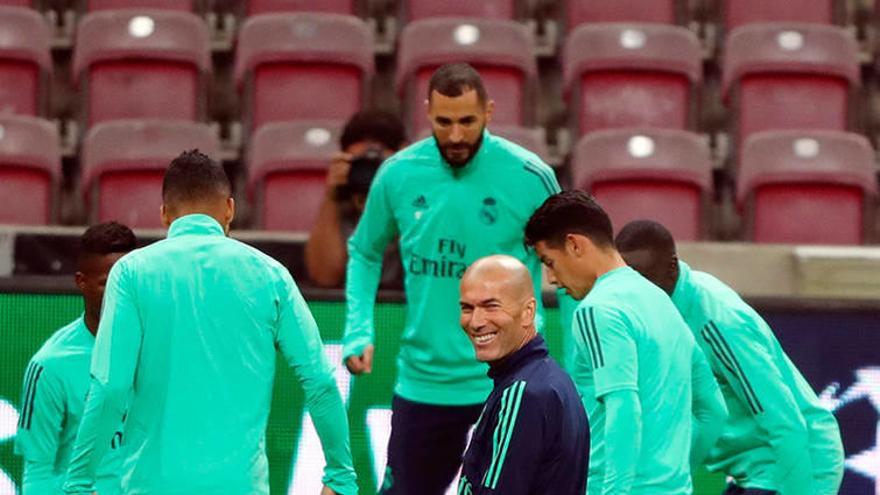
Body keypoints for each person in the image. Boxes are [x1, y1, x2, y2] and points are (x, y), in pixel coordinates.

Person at [62, 150, 356, 495]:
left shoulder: (131, 273)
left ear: (164, 215)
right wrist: (340, 475)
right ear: (229, 209)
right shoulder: (270, 275)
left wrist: (78, 483)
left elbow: (110, 386)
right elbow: (320, 379)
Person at [343, 62, 562, 494]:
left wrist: (581, 365)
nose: (457, 135)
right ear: (427, 112)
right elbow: (364, 251)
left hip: (510, 384)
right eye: (444, 122)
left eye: (467, 121)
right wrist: (357, 329)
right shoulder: (398, 174)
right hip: (425, 384)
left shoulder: (530, 177)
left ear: (489, 112)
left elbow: (569, 263)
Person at [615, 219, 845, 495]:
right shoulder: (655, 311)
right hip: (751, 468)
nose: (633, 288)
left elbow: (786, 422)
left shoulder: (718, 322)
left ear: (671, 268)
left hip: (798, 464)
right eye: (626, 276)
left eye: (642, 275)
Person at [524, 190, 727, 495]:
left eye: (549, 262)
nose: (551, 278)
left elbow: (623, 408)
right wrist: (671, 477)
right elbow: (714, 411)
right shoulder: (662, 302)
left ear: (575, 245)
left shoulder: (596, 309)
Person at [14, 222, 136, 494]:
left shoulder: (159, 351)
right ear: (82, 282)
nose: (121, 293)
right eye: (108, 283)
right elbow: (38, 472)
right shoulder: (49, 365)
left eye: (127, 281)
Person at [457, 255, 589, 495]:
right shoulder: (549, 379)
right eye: (467, 308)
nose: (475, 322)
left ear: (528, 312)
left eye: (491, 306)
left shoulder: (524, 393)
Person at [305, 109, 407, 288]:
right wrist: (331, 196)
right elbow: (324, 276)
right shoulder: (339, 207)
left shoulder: (417, 203)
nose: (370, 173)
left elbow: (422, 275)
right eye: (361, 164)